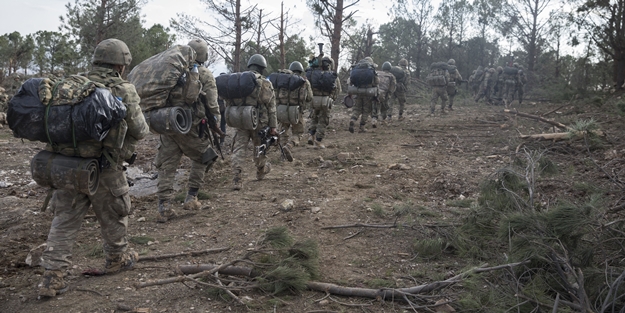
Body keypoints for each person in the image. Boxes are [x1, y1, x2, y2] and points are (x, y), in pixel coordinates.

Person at [38, 38, 150, 297]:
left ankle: (52, 278)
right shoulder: (122, 88)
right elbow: (141, 130)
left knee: (64, 220)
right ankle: (116, 259)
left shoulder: (70, 85)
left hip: (67, 166)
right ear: (121, 65)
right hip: (105, 166)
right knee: (115, 214)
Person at [154, 39, 220, 222]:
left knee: (167, 164)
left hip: (169, 123)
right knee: (204, 157)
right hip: (192, 127)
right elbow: (213, 104)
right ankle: (191, 197)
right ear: (204, 55)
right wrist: (216, 125)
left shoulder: (173, 71)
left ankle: (163, 206)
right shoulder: (205, 74)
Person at [231, 54, 277, 190]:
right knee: (260, 147)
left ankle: (237, 178)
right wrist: (273, 126)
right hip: (259, 122)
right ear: (262, 68)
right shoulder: (265, 83)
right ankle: (260, 170)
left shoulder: (239, 81)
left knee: (239, 148)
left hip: (241, 120)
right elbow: (271, 107)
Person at [278, 61, 313, 158]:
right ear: (301, 71)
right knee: (298, 132)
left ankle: (282, 154)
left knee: (283, 131)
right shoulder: (304, 81)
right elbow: (309, 97)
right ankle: (289, 145)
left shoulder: (283, 79)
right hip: (296, 111)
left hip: (282, 110)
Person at [307, 56, 341, 148]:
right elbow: (338, 90)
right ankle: (318, 141)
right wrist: (332, 99)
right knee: (323, 120)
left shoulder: (313, 74)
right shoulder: (332, 75)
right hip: (326, 101)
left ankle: (311, 135)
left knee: (314, 118)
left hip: (314, 100)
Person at [348, 56, 379, 133]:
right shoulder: (371, 69)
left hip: (357, 91)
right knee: (366, 110)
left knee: (357, 108)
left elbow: (350, 81)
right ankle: (362, 127)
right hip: (368, 92)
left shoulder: (356, 68)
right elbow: (377, 82)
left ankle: (353, 120)